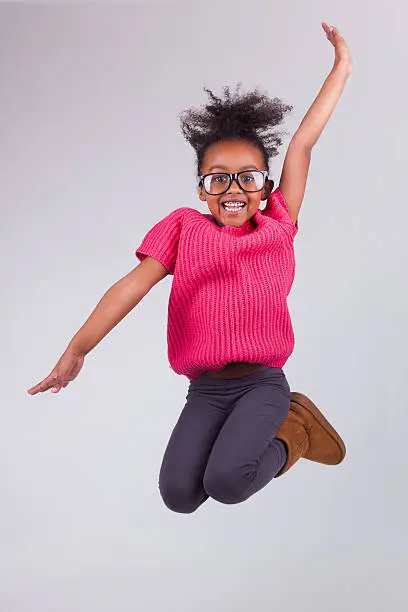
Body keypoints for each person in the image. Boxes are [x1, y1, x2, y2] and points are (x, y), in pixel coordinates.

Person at [28, 23, 352, 513]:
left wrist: (341, 68)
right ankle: (267, 437)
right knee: (180, 495)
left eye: (248, 178)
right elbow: (131, 286)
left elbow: (303, 143)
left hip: (262, 382)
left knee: (227, 482)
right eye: (217, 180)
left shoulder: (277, 223)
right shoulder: (184, 229)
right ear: (201, 190)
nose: (233, 190)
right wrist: (78, 348)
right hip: (205, 389)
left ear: (265, 187)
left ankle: (296, 431)